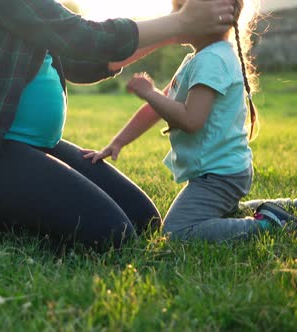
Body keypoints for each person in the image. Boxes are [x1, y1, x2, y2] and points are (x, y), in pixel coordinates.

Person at [0, 0, 238, 250]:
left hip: (27, 145)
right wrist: (180, 20)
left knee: (145, 221)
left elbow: (87, 62)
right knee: (113, 235)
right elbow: (82, 37)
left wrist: (179, 31)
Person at [84, 0, 296, 242]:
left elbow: (191, 120)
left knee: (178, 230)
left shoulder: (212, 61)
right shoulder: (201, 57)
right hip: (221, 171)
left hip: (219, 175)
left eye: (182, 9)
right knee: (221, 212)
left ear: (212, 17)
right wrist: (118, 142)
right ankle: (282, 205)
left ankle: (270, 224)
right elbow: (157, 107)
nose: (175, 17)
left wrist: (149, 92)